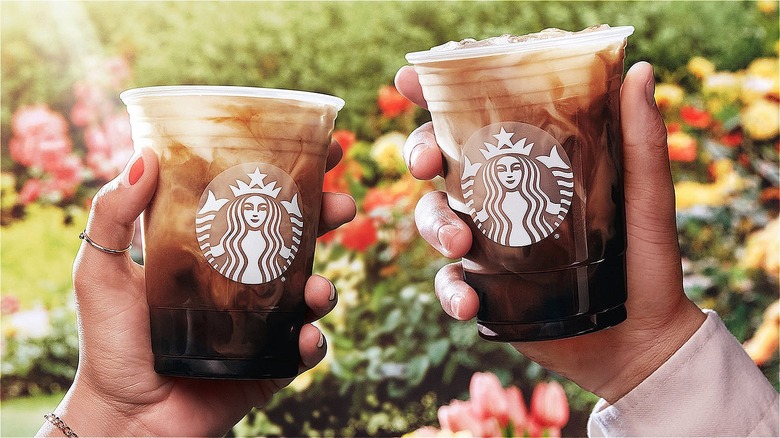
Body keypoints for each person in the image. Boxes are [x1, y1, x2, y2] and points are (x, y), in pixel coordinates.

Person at [395, 61, 779, 436]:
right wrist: (649, 360)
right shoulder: (497, 201)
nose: (510, 174)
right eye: (500, 169)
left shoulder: (537, 199)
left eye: (517, 167)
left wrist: (653, 351)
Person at [36, 140, 356, 437]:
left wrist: (121, 419)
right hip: (168, 355)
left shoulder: (274, 244)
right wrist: (113, 410)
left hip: (268, 348)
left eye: (264, 207)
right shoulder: (230, 245)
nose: (256, 213)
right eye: (248, 207)